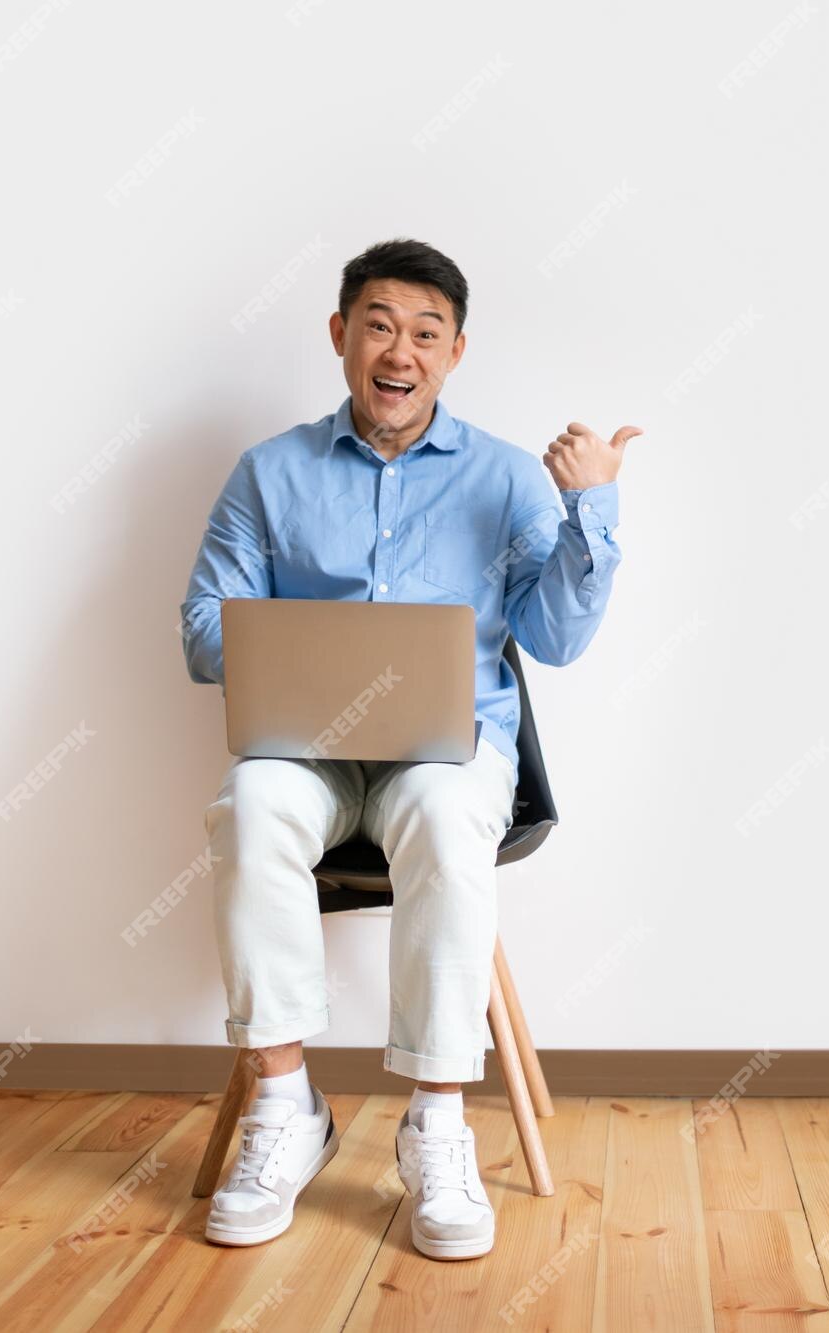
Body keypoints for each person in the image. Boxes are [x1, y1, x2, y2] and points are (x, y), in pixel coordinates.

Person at [178, 237, 639, 1259]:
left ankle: (436, 1123)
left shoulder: (508, 478)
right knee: (247, 804)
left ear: (455, 352)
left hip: (449, 751)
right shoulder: (270, 473)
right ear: (341, 336)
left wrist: (588, 507)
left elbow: (555, 640)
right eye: (379, 325)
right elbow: (202, 633)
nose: (401, 351)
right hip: (307, 754)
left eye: (425, 333)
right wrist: (281, 640)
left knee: (437, 811)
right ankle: (286, 1108)